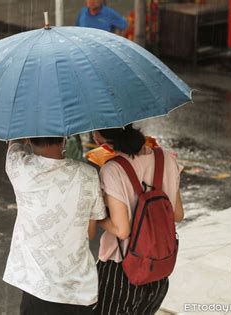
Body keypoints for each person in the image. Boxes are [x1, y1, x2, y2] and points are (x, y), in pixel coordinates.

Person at [4, 137, 107, 315]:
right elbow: (90, 233)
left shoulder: (19, 169)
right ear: (65, 139)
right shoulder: (88, 174)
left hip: (37, 290)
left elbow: (13, 144)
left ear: (29, 139)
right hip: (80, 291)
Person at [92, 124, 184, 315]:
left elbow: (122, 230)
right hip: (159, 268)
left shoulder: (113, 169)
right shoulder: (165, 157)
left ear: (99, 137)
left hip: (122, 271)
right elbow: (177, 215)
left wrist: (97, 217)